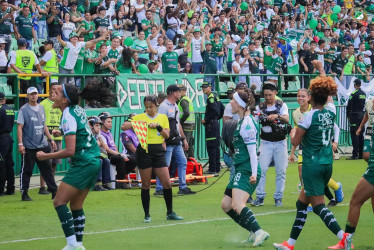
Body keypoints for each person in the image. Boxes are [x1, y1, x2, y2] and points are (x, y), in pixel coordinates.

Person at [273, 76, 350, 250]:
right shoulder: (331, 111)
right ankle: (290, 244)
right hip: (326, 163)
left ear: (311, 98)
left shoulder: (307, 116)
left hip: (311, 165)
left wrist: (292, 131)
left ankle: (343, 238)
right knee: (301, 204)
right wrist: (322, 73)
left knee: (318, 207)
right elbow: (329, 97)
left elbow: (294, 142)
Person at [36, 84, 101, 250]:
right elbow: (81, 130)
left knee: (58, 201)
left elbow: (70, 151)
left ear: (65, 99)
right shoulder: (77, 109)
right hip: (93, 160)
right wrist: (62, 131)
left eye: (56, 92)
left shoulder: (67, 115)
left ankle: (72, 243)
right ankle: (78, 244)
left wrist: (46, 156)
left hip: (83, 162)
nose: (52, 92)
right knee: (76, 206)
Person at [121, 95, 183, 223]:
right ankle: (147, 215)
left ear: (156, 105)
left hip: (159, 152)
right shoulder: (140, 117)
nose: (149, 109)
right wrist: (135, 123)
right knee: (146, 184)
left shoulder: (162, 117)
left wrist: (158, 127)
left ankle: (170, 212)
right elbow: (123, 126)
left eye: (151, 107)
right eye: (147, 107)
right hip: (144, 151)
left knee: (166, 182)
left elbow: (167, 135)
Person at [221, 89, 270, 247]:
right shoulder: (242, 121)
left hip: (247, 169)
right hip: (241, 167)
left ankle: (258, 232)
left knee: (237, 204)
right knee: (226, 205)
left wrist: (254, 174)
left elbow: (253, 153)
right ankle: (252, 230)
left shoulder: (247, 123)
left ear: (241, 105)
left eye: (234, 101)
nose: (231, 103)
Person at [252, 81, 290, 207]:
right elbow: (254, 119)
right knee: (261, 170)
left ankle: (278, 197)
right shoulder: (260, 107)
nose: (268, 98)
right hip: (265, 142)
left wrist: (277, 116)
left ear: (275, 93)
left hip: (281, 142)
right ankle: (260, 196)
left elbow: (287, 119)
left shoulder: (281, 105)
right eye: (265, 95)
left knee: (281, 171)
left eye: (270, 95)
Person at [17, 87, 58, 201]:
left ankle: (54, 191)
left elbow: (44, 125)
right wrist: (20, 144)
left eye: (35, 94)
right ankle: (24, 193)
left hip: (42, 145)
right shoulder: (23, 110)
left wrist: (51, 139)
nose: (34, 96)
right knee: (27, 171)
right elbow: (19, 127)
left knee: (47, 169)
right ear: (27, 96)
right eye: (31, 94)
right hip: (29, 146)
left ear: (38, 95)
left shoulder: (41, 108)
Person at [154, 85, 196, 195]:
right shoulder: (164, 107)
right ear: (173, 93)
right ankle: (159, 188)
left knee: (182, 162)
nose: (180, 93)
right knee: (165, 165)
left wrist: (183, 139)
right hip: (168, 140)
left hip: (176, 139)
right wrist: (162, 140)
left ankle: (183, 187)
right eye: (179, 91)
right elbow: (160, 125)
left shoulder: (175, 105)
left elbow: (178, 124)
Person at [39, 83, 62, 194]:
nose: (55, 92)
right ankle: (42, 186)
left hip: (58, 137)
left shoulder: (61, 104)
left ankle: (51, 185)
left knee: (54, 163)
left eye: (57, 90)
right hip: (47, 137)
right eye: (53, 90)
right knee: (46, 162)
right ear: (49, 91)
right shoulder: (43, 104)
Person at [9, 38, 46, 107]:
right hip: (27, 78)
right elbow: (37, 64)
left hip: (17, 78)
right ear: (26, 44)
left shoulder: (15, 53)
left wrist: (20, 72)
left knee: (18, 96)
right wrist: (41, 72)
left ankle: (19, 111)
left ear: (18, 45)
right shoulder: (31, 53)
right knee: (26, 96)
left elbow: (12, 64)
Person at [99, 111, 130, 189]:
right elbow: (107, 149)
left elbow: (114, 146)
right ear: (102, 122)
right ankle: (120, 182)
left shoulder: (109, 133)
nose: (111, 124)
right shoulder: (100, 134)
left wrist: (119, 153)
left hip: (114, 154)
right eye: (108, 122)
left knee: (132, 160)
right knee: (120, 159)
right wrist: (119, 154)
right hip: (107, 155)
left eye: (111, 122)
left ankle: (117, 178)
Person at [202, 81, 223, 174]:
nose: (203, 89)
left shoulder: (210, 98)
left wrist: (207, 120)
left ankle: (212, 169)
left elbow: (215, 111)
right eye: (202, 87)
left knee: (211, 147)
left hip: (211, 125)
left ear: (210, 87)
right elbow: (222, 109)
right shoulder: (215, 97)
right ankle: (216, 168)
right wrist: (217, 119)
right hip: (215, 124)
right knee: (216, 146)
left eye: (205, 87)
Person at [347, 79, 366, 160]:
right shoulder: (363, 94)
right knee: (361, 134)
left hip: (354, 115)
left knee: (354, 134)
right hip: (362, 115)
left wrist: (348, 115)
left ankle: (355, 154)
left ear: (354, 85)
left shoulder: (354, 93)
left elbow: (349, 105)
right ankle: (361, 154)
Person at [0, 92, 15, 196]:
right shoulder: (10, 109)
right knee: (9, 164)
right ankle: (11, 189)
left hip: (1, 139)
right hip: (8, 138)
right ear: (4, 99)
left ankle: (0, 190)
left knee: (1, 164)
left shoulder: (0, 109)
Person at [177, 85, 195, 158]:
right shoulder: (186, 99)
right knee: (189, 145)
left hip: (186, 125)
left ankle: (186, 163)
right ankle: (192, 164)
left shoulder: (183, 100)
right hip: (190, 125)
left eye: (180, 91)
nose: (178, 92)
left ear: (184, 91)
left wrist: (180, 121)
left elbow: (186, 113)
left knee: (185, 145)